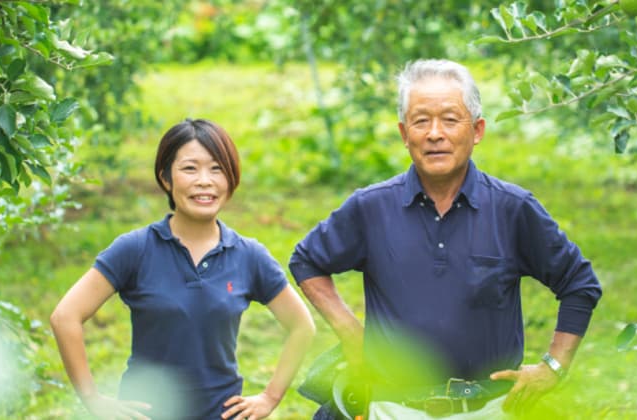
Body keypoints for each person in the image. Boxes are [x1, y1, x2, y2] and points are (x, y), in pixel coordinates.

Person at [289, 59, 602, 419]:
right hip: (391, 408)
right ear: (405, 134)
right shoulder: (370, 207)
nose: (435, 133)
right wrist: (352, 334)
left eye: (451, 119)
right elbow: (307, 260)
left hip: (489, 408)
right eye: (421, 121)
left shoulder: (512, 209)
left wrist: (553, 368)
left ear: (478, 129)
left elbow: (579, 284)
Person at [51, 118, 316, 419]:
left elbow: (301, 326)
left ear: (231, 178)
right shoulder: (135, 248)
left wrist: (270, 397)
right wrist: (92, 399)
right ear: (166, 178)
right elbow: (65, 317)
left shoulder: (249, 255)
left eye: (217, 169)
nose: (205, 180)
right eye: (190, 168)